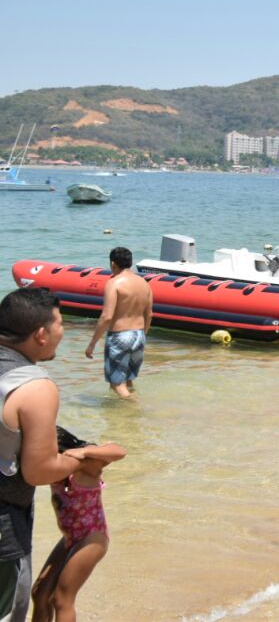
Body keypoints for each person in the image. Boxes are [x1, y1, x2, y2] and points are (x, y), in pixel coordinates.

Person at [0, 288, 86, 622]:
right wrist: (84, 457)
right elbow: (39, 471)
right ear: (40, 334)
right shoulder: (34, 386)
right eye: (60, 324)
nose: (62, 332)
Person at [31, 428, 126, 622]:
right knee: (39, 593)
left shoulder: (85, 463)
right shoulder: (53, 468)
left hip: (92, 537)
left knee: (62, 599)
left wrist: (85, 451)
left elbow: (119, 451)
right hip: (70, 538)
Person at [84, 247, 152, 399]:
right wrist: (143, 336)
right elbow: (149, 314)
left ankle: (137, 408)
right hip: (139, 334)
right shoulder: (144, 284)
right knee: (128, 380)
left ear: (113, 264)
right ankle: (125, 419)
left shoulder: (114, 283)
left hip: (120, 336)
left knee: (116, 384)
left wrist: (92, 344)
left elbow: (107, 316)